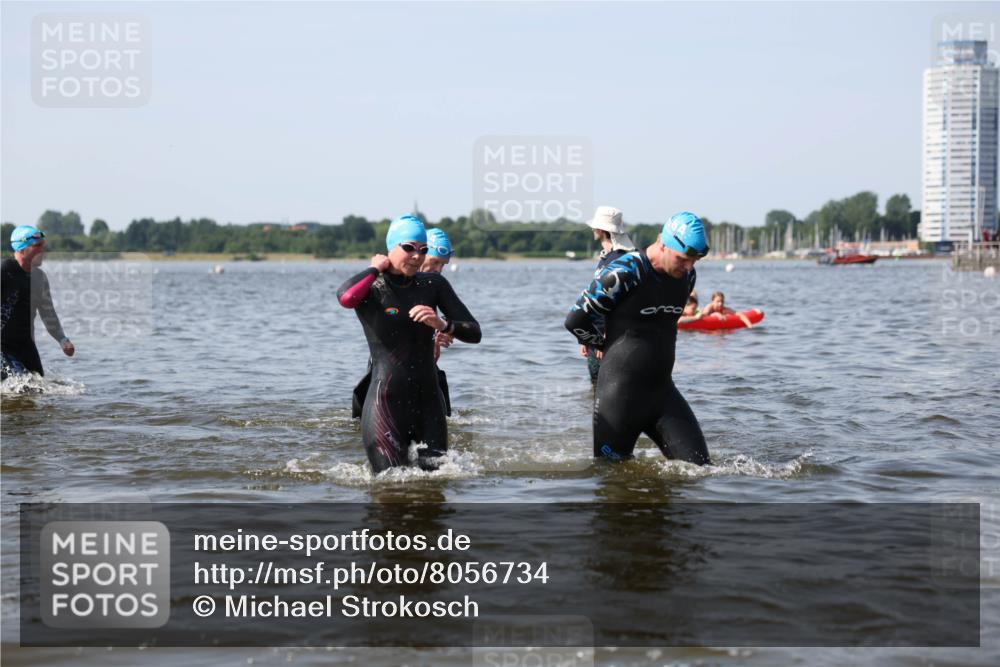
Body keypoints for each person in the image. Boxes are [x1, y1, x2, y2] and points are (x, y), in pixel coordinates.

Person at [565, 211, 711, 465]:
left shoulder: (686, 276)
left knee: (701, 471)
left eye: (694, 261)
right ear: (663, 244)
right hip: (618, 396)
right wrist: (600, 344)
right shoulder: (625, 271)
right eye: (683, 259)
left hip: (663, 393)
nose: (689, 266)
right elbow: (576, 320)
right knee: (612, 479)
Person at [338, 215, 481, 473]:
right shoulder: (373, 288)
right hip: (385, 402)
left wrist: (443, 325)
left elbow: (475, 332)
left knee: (436, 486)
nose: (417, 256)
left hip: (429, 404)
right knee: (388, 487)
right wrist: (374, 269)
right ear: (391, 247)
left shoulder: (433, 284)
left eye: (423, 250)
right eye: (409, 248)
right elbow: (346, 297)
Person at [350, 226, 456, 418]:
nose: (438, 270)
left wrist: (443, 330)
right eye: (434, 262)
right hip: (386, 370)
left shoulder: (434, 286)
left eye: (443, 265)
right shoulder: (386, 283)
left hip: (422, 370)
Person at [1, 225, 75, 381]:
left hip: (26, 345)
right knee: (22, 387)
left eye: (43, 245)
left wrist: (62, 339)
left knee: (38, 389)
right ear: (21, 248)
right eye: (37, 246)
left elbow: (48, 313)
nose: (43, 250)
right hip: (3, 346)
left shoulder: (39, 278)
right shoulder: (5, 272)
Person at [580, 206, 636, 384]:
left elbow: (619, 301)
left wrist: (606, 335)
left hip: (608, 337)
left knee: (602, 387)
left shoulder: (617, 260)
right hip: (597, 334)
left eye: (595, 226)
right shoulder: (608, 257)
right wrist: (585, 336)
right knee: (597, 388)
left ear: (601, 230)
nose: (592, 229)